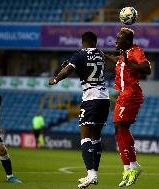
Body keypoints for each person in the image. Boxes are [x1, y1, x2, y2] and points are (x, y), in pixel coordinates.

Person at [48, 31, 110, 189]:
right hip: (104, 98)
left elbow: (68, 70)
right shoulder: (100, 54)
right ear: (95, 42)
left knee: (84, 138)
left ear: (83, 42)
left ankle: (91, 174)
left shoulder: (80, 54)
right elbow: (89, 69)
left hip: (91, 99)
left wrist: (56, 78)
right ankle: (93, 174)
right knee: (96, 138)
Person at [104, 27, 151, 187]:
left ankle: (133, 167)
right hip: (124, 94)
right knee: (120, 130)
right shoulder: (123, 55)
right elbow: (117, 61)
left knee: (120, 127)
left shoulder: (135, 51)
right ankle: (129, 167)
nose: (116, 41)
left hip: (131, 94)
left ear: (128, 41)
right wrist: (103, 56)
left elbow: (147, 68)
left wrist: (129, 63)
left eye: (119, 38)